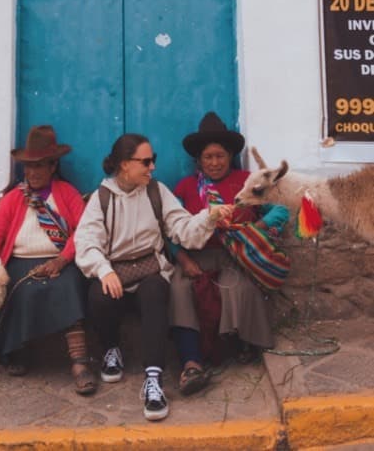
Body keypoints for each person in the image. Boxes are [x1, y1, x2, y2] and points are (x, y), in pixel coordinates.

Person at [74, 132, 233, 421]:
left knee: (156, 291)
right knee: (98, 294)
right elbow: (86, 242)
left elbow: (182, 227)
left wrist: (209, 216)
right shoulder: (102, 198)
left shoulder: (156, 192)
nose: (152, 167)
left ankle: (153, 378)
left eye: (153, 160)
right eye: (146, 162)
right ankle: (111, 349)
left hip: (149, 270)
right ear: (124, 164)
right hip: (116, 272)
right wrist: (104, 270)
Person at [0, 125, 96, 395]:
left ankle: (79, 362)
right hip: (19, 262)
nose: (32, 172)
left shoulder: (66, 193)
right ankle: (17, 350)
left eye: (39, 166)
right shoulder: (14, 198)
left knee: (69, 286)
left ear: (53, 166)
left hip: (59, 261)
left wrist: (62, 260)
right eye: (28, 167)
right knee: (19, 289)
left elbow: (83, 230)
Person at [170, 112, 289, 396]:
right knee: (179, 289)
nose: (214, 162)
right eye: (208, 157)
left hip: (236, 255)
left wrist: (256, 228)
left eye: (220, 155)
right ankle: (191, 363)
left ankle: (236, 345)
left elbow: (281, 210)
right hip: (196, 256)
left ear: (231, 155)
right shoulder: (185, 188)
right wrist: (183, 259)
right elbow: (169, 229)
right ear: (198, 160)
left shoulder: (248, 181)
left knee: (237, 286)